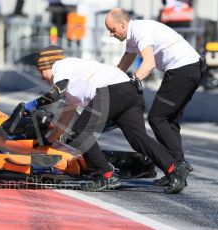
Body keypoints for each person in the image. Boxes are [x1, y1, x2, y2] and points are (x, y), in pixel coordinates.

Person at [24, 45, 190, 193]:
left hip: (112, 91)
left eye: (41, 72)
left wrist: (34, 104)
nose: (42, 77)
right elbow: (64, 121)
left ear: (47, 66)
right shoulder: (73, 80)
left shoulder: (60, 66)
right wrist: (47, 142)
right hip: (129, 91)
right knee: (137, 138)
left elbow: (56, 93)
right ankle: (174, 169)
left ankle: (104, 174)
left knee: (81, 130)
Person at [105, 8, 199, 186]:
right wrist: (108, 80)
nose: (111, 35)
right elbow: (126, 60)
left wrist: (130, 83)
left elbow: (148, 64)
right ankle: (176, 168)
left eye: (112, 29)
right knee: (168, 120)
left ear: (123, 24)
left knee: (158, 118)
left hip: (184, 70)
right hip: (185, 69)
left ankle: (178, 165)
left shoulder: (140, 31)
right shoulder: (132, 35)